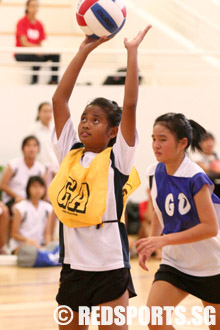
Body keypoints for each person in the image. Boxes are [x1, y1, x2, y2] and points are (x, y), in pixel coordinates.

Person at [48, 26, 152, 329]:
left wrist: (132, 53)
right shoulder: (69, 151)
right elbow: (59, 100)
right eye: (84, 118)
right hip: (73, 267)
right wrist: (84, 50)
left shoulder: (118, 157)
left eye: (96, 120)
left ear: (112, 132)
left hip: (109, 267)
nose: (85, 124)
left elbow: (130, 105)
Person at [136, 113, 220, 329]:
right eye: (153, 138)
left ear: (183, 143)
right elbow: (158, 210)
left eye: (162, 139)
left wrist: (163, 241)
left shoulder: (195, 177)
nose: (156, 145)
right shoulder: (155, 172)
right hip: (175, 263)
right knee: (155, 321)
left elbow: (210, 228)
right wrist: (151, 242)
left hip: (210, 265)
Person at [15, 0, 60, 85]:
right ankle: (34, 81)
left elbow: (40, 42)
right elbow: (23, 42)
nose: (35, 8)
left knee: (55, 55)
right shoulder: (22, 22)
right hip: (22, 53)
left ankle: (54, 80)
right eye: (32, 6)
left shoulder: (39, 24)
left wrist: (38, 49)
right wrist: (36, 49)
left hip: (36, 52)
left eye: (36, 6)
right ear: (27, 7)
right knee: (35, 56)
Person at [0, 136, 46, 215]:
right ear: (23, 148)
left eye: (34, 146)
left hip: (32, 200)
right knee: (20, 210)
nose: (31, 148)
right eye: (28, 145)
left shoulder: (41, 168)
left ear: (38, 149)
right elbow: (3, 185)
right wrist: (16, 196)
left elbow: (43, 188)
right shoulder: (13, 165)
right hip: (12, 199)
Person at [9, 176, 53, 254]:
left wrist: (48, 246)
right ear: (28, 189)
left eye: (41, 186)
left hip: (39, 245)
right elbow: (14, 234)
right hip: (21, 245)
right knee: (30, 252)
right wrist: (27, 240)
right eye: (35, 186)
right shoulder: (20, 207)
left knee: (56, 248)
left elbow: (47, 233)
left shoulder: (48, 208)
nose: (38, 189)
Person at [191, 132, 220, 197]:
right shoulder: (196, 156)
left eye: (211, 140)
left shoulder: (217, 155)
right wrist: (214, 169)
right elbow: (203, 168)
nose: (209, 143)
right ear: (200, 143)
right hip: (204, 186)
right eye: (206, 141)